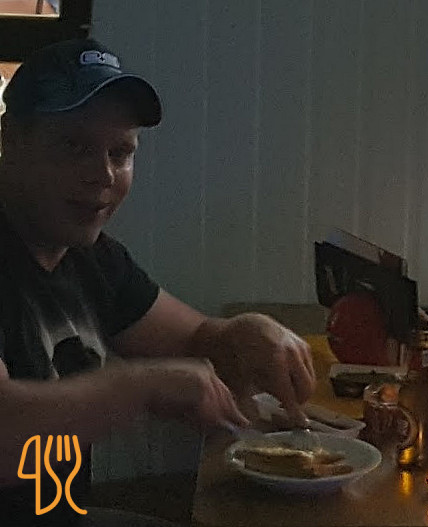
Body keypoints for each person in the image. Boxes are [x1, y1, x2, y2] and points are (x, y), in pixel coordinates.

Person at [0, 39, 316, 525]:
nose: (102, 174)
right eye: (72, 146)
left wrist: (243, 333)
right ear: (11, 139)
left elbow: (196, 339)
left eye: (120, 152)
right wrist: (141, 388)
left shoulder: (92, 258)